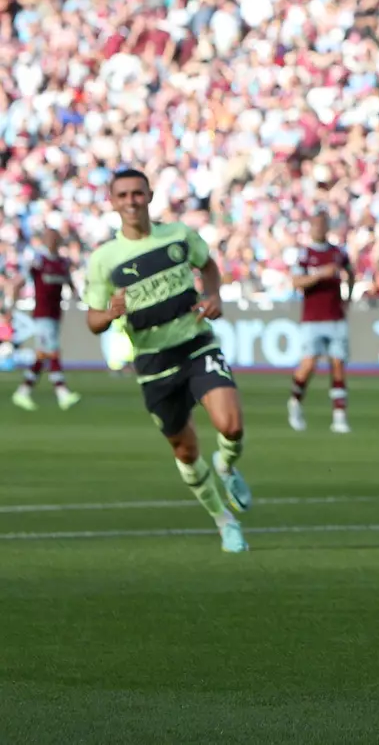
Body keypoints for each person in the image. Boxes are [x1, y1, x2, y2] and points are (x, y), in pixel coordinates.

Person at [83, 169, 254, 553]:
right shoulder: (104, 260)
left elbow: (208, 265)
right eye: (123, 195)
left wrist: (213, 296)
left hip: (195, 343)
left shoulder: (177, 235)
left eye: (138, 194)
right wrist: (109, 314)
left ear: (149, 196)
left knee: (232, 424)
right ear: (112, 202)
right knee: (186, 452)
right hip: (152, 362)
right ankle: (224, 522)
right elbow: (92, 319)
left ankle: (226, 465)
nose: (131, 201)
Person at [288, 213, 354, 434]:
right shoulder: (305, 255)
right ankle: (295, 402)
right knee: (308, 365)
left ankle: (339, 416)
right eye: (316, 225)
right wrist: (319, 275)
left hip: (336, 316)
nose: (319, 228)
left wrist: (348, 298)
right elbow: (297, 282)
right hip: (312, 319)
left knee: (338, 365)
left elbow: (350, 272)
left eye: (322, 225)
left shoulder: (338, 252)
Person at [11, 228, 81, 411]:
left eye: (54, 237)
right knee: (53, 350)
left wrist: (78, 297)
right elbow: (19, 281)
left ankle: (23, 391)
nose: (50, 241)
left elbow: (70, 285)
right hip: (42, 315)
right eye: (48, 237)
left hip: (56, 313)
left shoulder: (63, 263)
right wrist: (12, 303)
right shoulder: (38, 261)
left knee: (42, 354)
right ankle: (62, 392)